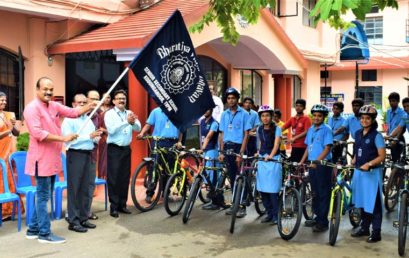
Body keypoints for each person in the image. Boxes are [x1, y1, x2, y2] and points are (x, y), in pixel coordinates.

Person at [24, 77, 96, 244]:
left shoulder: (54, 105)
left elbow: (73, 112)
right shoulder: (31, 108)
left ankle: (33, 229)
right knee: (43, 197)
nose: (49, 92)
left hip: (52, 159)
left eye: (51, 89)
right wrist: (63, 138)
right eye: (45, 89)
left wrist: (89, 105)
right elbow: (38, 133)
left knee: (44, 195)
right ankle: (44, 234)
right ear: (37, 89)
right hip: (40, 159)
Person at [62, 94, 102, 233]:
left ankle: (84, 218)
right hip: (75, 154)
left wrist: (96, 136)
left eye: (85, 102)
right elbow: (69, 140)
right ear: (73, 104)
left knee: (85, 188)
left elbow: (93, 140)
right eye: (79, 102)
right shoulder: (69, 120)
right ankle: (73, 221)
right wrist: (89, 136)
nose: (83, 104)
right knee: (75, 189)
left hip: (88, 154)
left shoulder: (88, 120)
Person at [351, 105, 386, 243]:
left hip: (372, 174)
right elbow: (357, 149)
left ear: (372, 120)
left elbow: (382, 156)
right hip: (359, 172)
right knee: (362, 202)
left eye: (367, 118)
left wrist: (369, 164)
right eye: (362, 118)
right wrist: (354, 159)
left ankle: (376, 232)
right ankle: (365, 228)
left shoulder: (377, 136)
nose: (364, 120)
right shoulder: (358, 133)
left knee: (375, 204)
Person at [104, 90, 141, 218]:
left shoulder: (130, 113)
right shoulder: (109, 114)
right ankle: (113, 207)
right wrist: (127, 122)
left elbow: (138, 128)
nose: (121, 100)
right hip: (114, 149)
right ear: (113, 101)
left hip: (126, 149)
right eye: (119, 98)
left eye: (123, 98)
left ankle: (122, 205)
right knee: (114, 178)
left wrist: (133, 122)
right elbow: (111, 130)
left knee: (125, 178)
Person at [137, 106, 183, 203]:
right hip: (158, 142)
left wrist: (179, 141)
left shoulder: (177, 111)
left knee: (168, 169)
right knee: (153, 167)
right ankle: (150, 193)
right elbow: (148, 124)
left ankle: (165, 193)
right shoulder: (156, 111)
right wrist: (142, 133)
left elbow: (181, 128)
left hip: (172, 142)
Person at [218, 87, 251, 218]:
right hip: (227, 146)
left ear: (237, 99)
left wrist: (241, 152)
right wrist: (221, 151)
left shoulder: (244, 114)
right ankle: (234, 204)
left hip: (239, 147)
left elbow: (246, 133)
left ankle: (242, 205)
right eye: (229, 98)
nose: (231, 100)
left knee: (241, 176)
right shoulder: (224, 114)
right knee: (232, 177)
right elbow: (222, 133)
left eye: (233, 98)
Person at [300, 104, 333, 233]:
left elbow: (327, 148)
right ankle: (317, 217)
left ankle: (323, 222)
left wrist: (317, 161)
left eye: (319, 116)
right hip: (312, 164)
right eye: (314, 115)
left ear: (324, 117)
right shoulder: (311, 129)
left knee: (323, 193)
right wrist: (302, 162)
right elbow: (308, 147)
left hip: (323, 165)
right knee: (314, 193)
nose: (316, 118)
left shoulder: (327, 129)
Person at [256, 105, 282, 225]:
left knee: (272, 190)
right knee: (262, 189)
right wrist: (258, 152)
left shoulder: (277, 129)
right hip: (262, 160)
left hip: (274, 160)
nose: (265, 118)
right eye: (263, 116)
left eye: (267, 115)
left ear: (271, 116)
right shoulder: (259, 129)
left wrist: (271, 156)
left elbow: (276, 144)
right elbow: (260, 143)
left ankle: (276, 215)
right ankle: (269, 213)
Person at [199, 109, 227, 210]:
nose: (205, 111)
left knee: (214, 177)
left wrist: (202, 149)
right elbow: (201, 137)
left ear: (211, 110)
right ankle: (218, 201)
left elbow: (208, 137)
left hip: (212, 151)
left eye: (208, 109)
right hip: (205, 151)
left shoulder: (214, 123)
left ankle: (216, 202)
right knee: (208, 175)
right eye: (204, 109)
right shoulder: (201, 121)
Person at [0, 92, 22, 221]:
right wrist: (8, 131)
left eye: (5, 100)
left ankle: (9, 210)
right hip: (0, 151)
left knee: (8, 177)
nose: (4, 102)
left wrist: (13, 125)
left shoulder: (8, 115)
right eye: (1, 100)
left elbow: (16, 134)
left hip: (7, 152)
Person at [86, 90, 105, 220]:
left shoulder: (99, 116)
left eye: (97, 99)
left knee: (90, 185)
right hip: (79, 154)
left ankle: (87, 211)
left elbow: (101, 133)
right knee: (78, 185)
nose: (95, 101)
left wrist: (100, 134)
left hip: (93, 153)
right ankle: (73, 212)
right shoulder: (79, 114)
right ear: (87, 100)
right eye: (92, 98)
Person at [385, 92, 405, 162]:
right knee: (393, 160)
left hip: (399, 138)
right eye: (390, 101)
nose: (391, 103)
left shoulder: (402, 113)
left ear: (398, 101)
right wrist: (387, 134)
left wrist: (396, 139)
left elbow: (402, 129)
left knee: (399, 162)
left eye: (393, 101)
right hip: (390, 138)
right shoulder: (388, 111)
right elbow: (387, 124)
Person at [97, 92, 112, 180]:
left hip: (108, 134)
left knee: (107, 156)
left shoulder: (112, 110)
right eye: (105, 97)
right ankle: (100, 175)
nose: (107, 99)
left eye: (109, 97)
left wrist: (106, 131)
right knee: (100, 156)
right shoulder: (97, 109)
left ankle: (106, 175)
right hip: (99, 135)